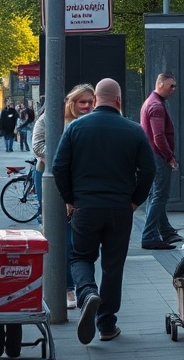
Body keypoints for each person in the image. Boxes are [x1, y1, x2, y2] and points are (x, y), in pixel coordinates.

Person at [52, 78, 156, 345]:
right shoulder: (133, 130)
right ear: (119, 100)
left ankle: (87, 293)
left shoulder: (75, 128)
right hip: (120, 209)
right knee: (113, 265)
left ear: (96, 99)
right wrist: (135, 200)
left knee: (80, 257)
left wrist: (70, 199)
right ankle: (107, 325)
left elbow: (59, 167)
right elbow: (149, 170)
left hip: (85, 207)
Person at [32, 86, 96, 309]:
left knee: (74, 234)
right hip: (50, 177)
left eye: (91, 102)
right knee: (59, 231)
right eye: (82, 102)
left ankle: (75, 286)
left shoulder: (92, 121)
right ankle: (65, 288)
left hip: (80, 180)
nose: (87, 106)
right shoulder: (51, 118)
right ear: (71, 102)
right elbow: (37, 145)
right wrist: (66, 158)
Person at [139, 72, 181, 249]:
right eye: (171, 85)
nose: (173, 89)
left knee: (157, 195)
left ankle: (165, 231)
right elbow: (159, 137)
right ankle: (150, 235)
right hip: (158, 156)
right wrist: (169, 157)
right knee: (160, 196)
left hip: (152, 156)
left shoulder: (151, 102)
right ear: (161, 84)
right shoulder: (156, 106)